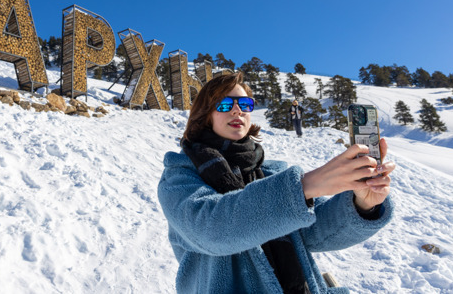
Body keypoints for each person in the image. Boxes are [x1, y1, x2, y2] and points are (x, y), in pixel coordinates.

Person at [157, 72, 395, 294]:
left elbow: (315, 232)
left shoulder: (272, 172)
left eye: (245, 104)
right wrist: (303, 187)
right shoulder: (180, 174)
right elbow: (210, 229)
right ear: (205, 114)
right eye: (225, 104)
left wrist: (362, 204)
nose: (237, 111)